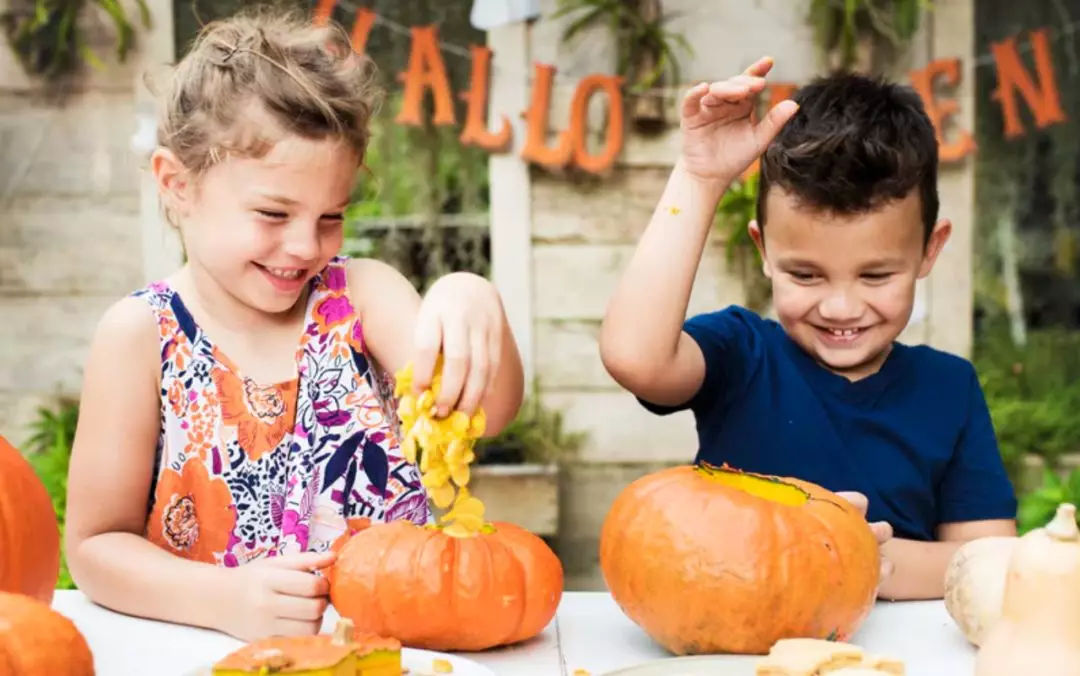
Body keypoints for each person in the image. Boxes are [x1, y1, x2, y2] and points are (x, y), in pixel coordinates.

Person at [64, 8, 523, 641]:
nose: (307, 247)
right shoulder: (140, 336)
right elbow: (94, 549)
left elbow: (487, 413)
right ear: (177, 185)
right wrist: (224, 599)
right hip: (214, 655)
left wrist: (474, 301)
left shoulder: (361, 297)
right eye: (273, 214)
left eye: (331, 217)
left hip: (393, 650)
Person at [599, 57, 1017, 600]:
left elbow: (993, 562)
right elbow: (635, 358)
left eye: (875, 275)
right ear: (764, 250)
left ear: (928, 250)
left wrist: (864, 555)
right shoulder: (741, 354)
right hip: (736, 642)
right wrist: (700, 178)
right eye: (805, 274)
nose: (841, 307)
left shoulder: (950, 388)